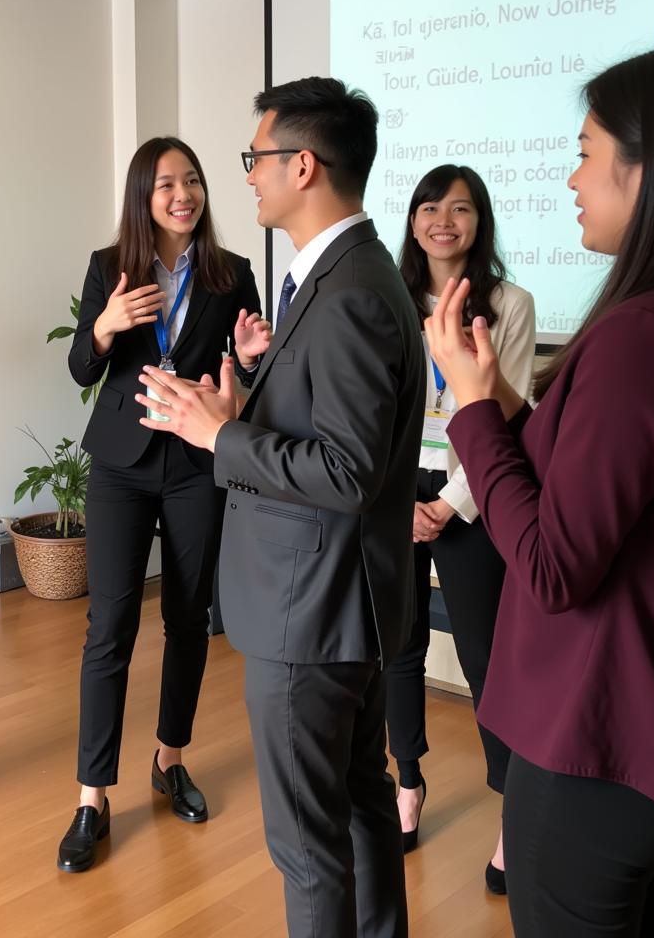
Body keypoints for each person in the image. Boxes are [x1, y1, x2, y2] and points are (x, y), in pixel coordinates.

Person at [425, 43, 654, 937]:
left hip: (599, 737)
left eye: (584, 151)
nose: (570, 177)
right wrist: (496, 398)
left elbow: (552, 563)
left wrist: (466, 406)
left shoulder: (643, 335)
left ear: (649, 170)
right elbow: (603, 483)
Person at [138, 78, 424, 938]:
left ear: (303, 165)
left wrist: (215, 436)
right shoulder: (338, 274)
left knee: (307, 846)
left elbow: (346, 470)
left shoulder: (351, 293)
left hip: (314, 612)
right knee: (362, 806)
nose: (248, 178)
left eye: (255, 159)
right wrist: (244, 399)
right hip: (339, 605)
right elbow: (332, 425)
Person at [59, 136, 269, 873]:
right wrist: (106, 326)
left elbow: (248, 373)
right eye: (166, 185)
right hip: (120, 463)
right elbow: (84, 367)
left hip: (195, 465)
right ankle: (91, 796)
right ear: (142, 197)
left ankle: (169, 758)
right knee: (108, 625)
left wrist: (245, 359)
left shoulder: (232, 273)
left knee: (187, 618)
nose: (182, 195)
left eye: (192, 182)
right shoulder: (108, 268)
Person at [388, 164, 535, 891]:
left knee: (486, 660)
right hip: (395, 490)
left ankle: (514, 815)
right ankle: (406, 782)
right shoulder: (386, 300)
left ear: (480, 223)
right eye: (429, 207)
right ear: (412, 220)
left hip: (470, 487)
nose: (443, 219)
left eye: (461, 208)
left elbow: (506, 415)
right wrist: (397, 500)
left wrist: (450, 503)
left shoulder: (509, 304)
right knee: (399, 647)